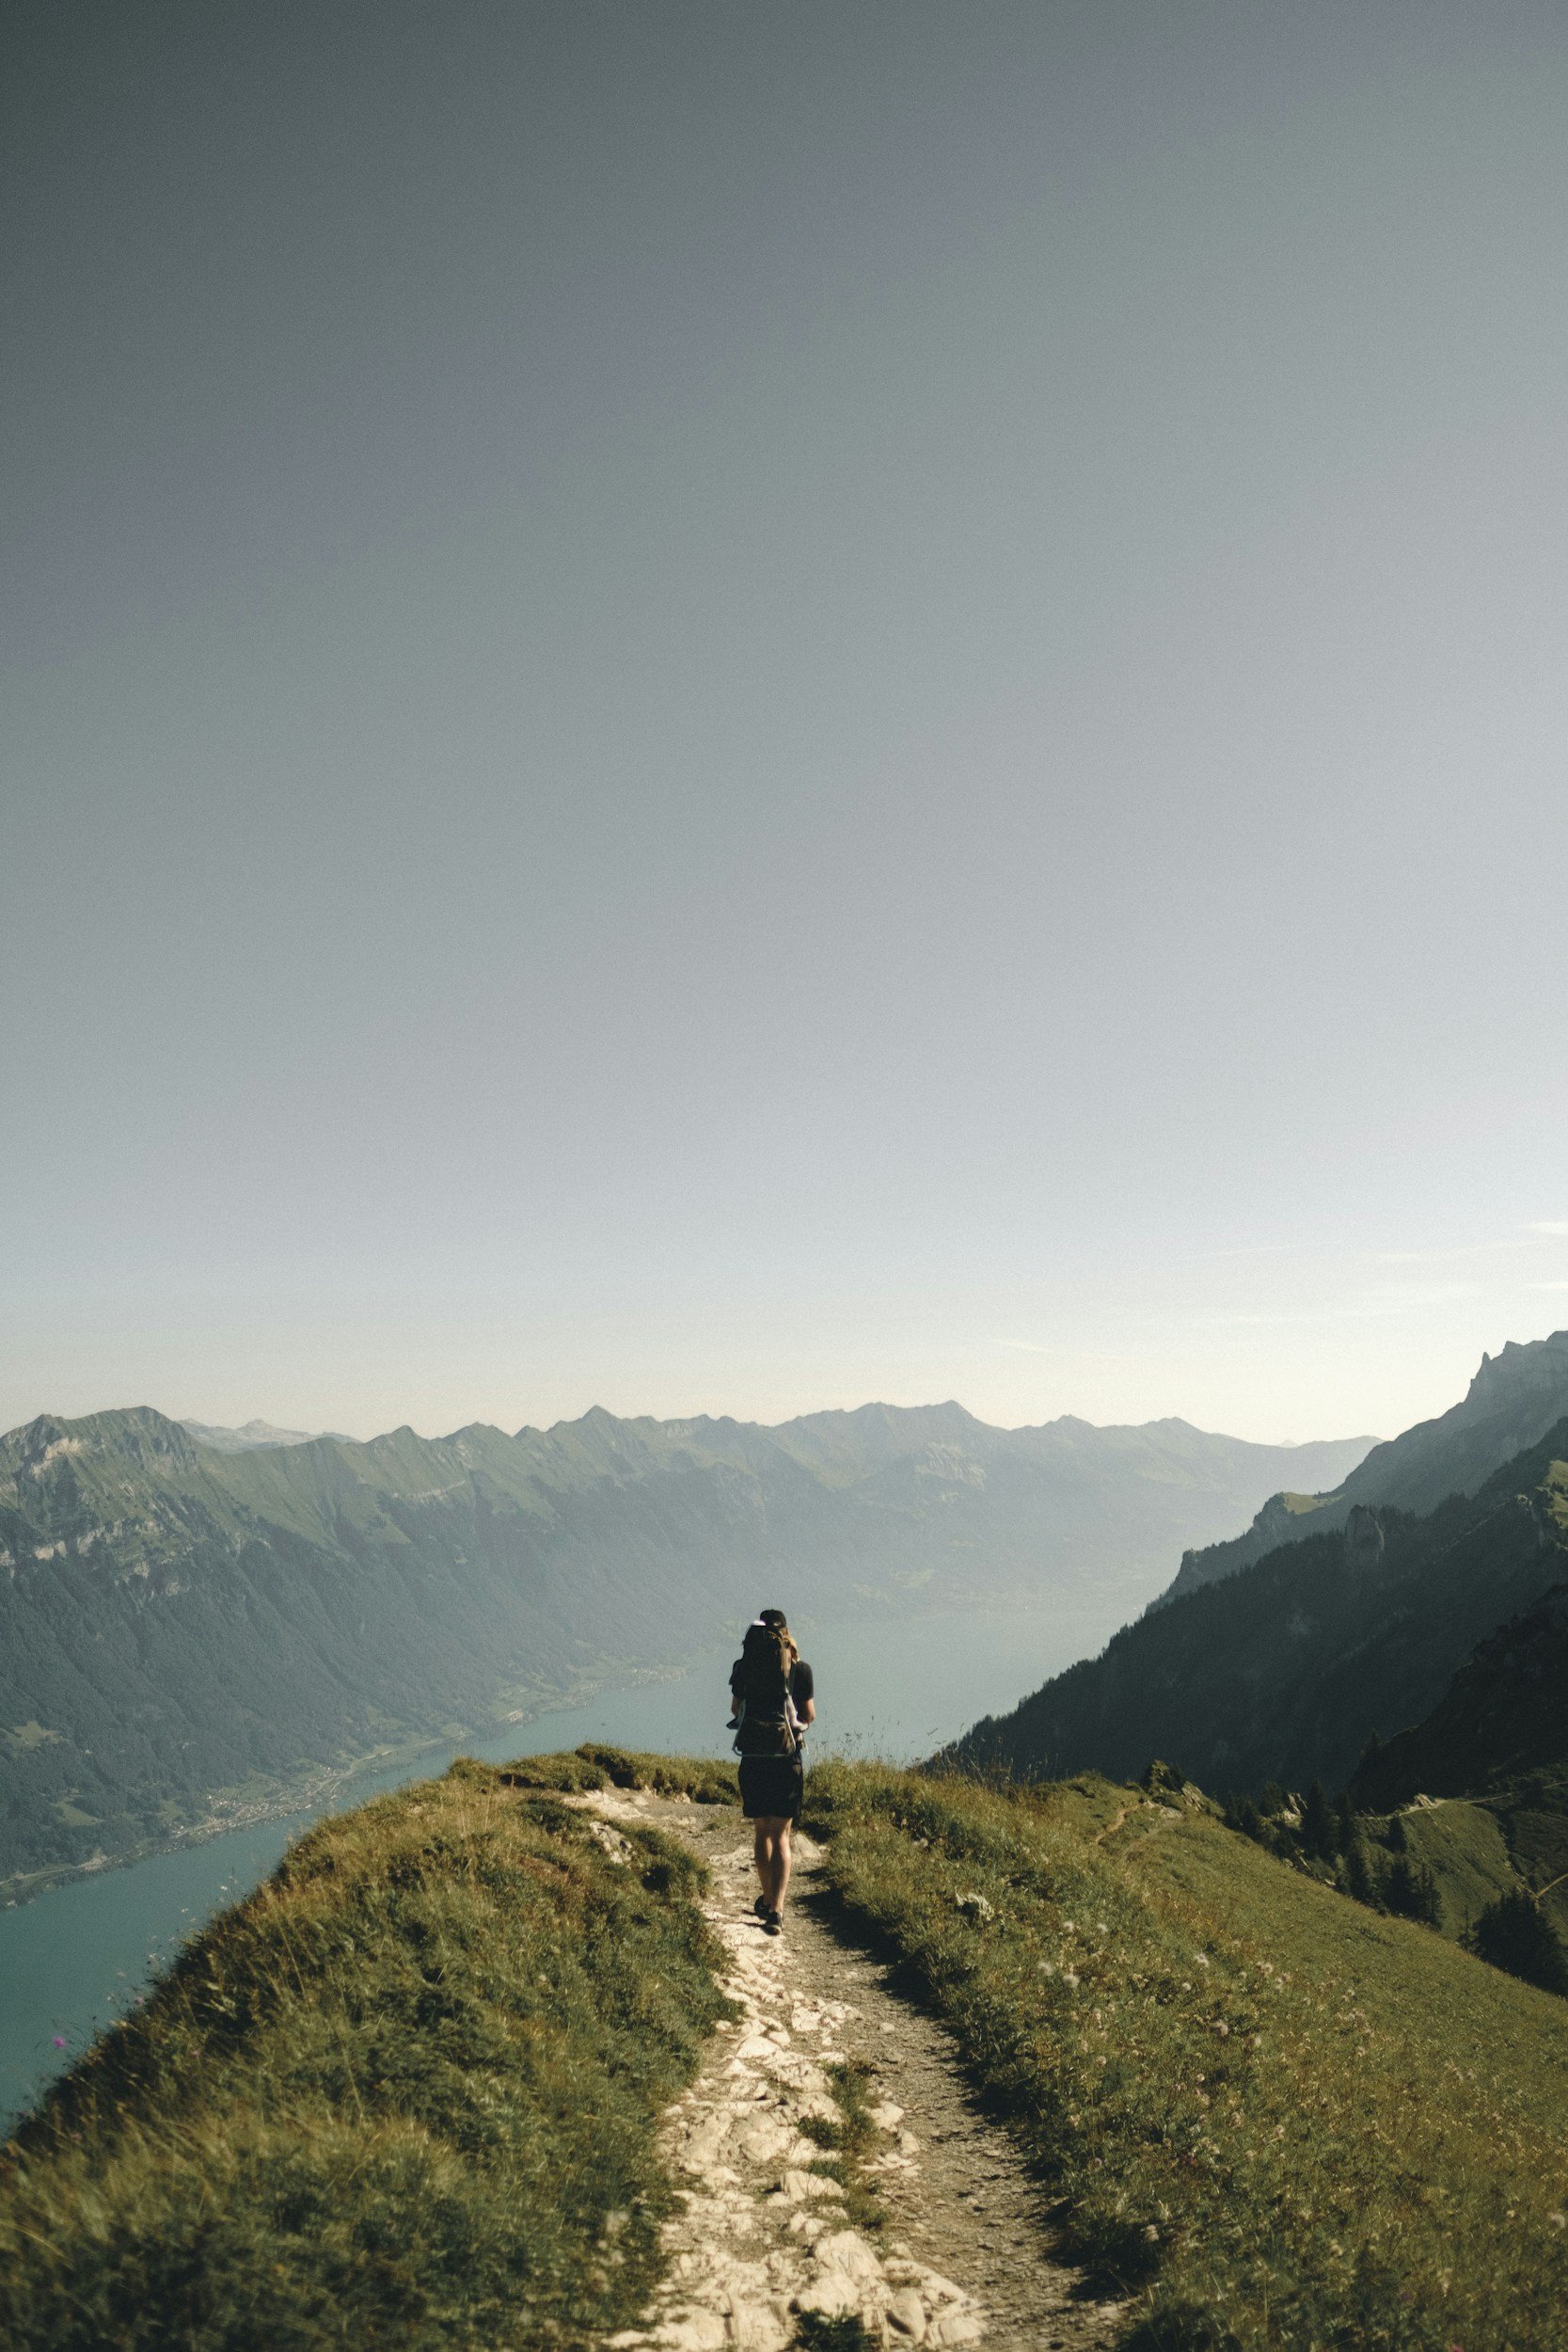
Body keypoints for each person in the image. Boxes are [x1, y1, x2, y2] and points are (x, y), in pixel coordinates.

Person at [728, 1608, 815, 1935]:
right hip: (786, 1759)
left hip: (753, 1758)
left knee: (761, 1831)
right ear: (785, 1633)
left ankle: (766, 1898)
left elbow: (736, 1709)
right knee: (782, 1835)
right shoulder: (799, 1669)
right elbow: (808, 1716)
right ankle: (776, 1910)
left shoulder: (743, 1667)